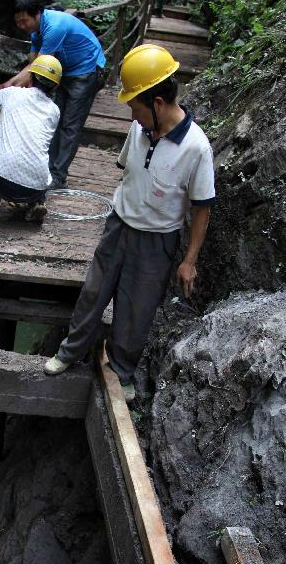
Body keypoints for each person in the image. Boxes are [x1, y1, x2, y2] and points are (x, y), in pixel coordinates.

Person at [43, 45, 215, 404]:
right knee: (94, 291)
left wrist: (189, 260)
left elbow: (202, 207)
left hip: (157, 242)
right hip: (118, 225)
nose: (131, 115)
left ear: (156, 102)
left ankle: (122, 369)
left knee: (137, 308)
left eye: (134, 106)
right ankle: (69, 352)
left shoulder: (197, 148)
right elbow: (128, 172)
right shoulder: (139, 130)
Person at [0, 0, 105, 190]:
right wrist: (14, 83)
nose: (21, 26)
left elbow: (35, 67)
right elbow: (33, 63)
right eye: (18, 22)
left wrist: (9, 88)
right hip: (66, 72)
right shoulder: (36, 32)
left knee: (70, 125)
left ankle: (58, 176)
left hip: (87, 70)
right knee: (56, 120)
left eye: (24, 21)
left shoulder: (54, 27)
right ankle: (49, 169)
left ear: (37, 14)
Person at [0, 55, 62, 225]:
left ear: (30, 77)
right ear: (54, 87)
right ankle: (36, 203)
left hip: (3, 180)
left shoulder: (11, 93)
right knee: (37, 155)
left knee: (2, 156)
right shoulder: (54, 111)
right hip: (35, 187)